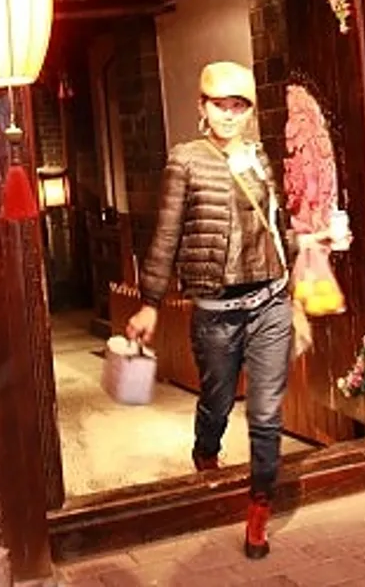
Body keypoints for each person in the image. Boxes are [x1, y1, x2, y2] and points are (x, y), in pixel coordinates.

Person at [126, 60, 293, 560]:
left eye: (239, 105)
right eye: (220, 104)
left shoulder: (259, 158)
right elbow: (166, 234)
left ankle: (259, 509)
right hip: (216, 312)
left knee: (265, 413)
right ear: (202, 107)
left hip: (270, 303)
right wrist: (150, 303)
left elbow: (276, 225)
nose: (229, 114)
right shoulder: (186, 160)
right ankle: (206, 453)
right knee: (217, 403)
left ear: (249, 112)